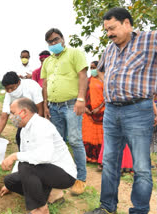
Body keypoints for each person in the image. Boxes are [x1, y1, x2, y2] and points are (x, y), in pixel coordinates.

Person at [85, 8, 157, 214]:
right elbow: (100, 70)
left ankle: (140, 210)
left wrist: (150, 96)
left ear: (127, 23)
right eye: (107, 30)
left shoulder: (149, 40)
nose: (109, 33)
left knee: (141, 167)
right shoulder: (109, 49)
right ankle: (107, 207)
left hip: (138, 111)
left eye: (112, 28)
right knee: (109, 162)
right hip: (111, 112)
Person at [0, 98, 77, 214]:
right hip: (43, 171)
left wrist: (15, 156)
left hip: (63, 174)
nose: (11, 117)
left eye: (13, 113)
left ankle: (41, 208)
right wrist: (10, 184)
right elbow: (25, 153)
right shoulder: (24, 129)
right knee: (10, 181)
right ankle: (49, 195)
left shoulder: (42, 126)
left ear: (24, 112)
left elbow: (44, 156)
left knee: (25, 165)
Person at [41, 28, 88, 195]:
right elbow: (45, 85)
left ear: (62, 38)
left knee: (75, 141)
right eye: (50, 42)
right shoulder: (47, 61)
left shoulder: (75, 53)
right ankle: (61, 175)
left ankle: (80, 178)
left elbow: (83, 76)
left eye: (56, 40)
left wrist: (81, 99)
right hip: (53, 107)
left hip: (71, 105)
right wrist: (46, 106)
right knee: (57, 142)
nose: (53, 44)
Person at [0, 72, 43, 149]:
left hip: (37, 112)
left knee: (35, 138)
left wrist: (37, 128)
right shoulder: (8, 95)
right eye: (7, 89)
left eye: (12, 88)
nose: (10, 91)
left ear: (18, 82)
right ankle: (23, 157)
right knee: (19, 137)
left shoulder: (31, 86)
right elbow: (3, 117)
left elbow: (40, 109)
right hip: (24, 115)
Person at [82, 61, 104, 164]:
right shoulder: (88, 80)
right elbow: (82, 94)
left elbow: (107, 96)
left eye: (94, 67)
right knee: (88, 135)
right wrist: (85, 107)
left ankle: (99, 158)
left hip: (101, 112)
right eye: (91, 67)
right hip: (88, 113)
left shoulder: (104, 81)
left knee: (101, 136)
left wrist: (99, 108)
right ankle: (89, 157)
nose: (92, 69)